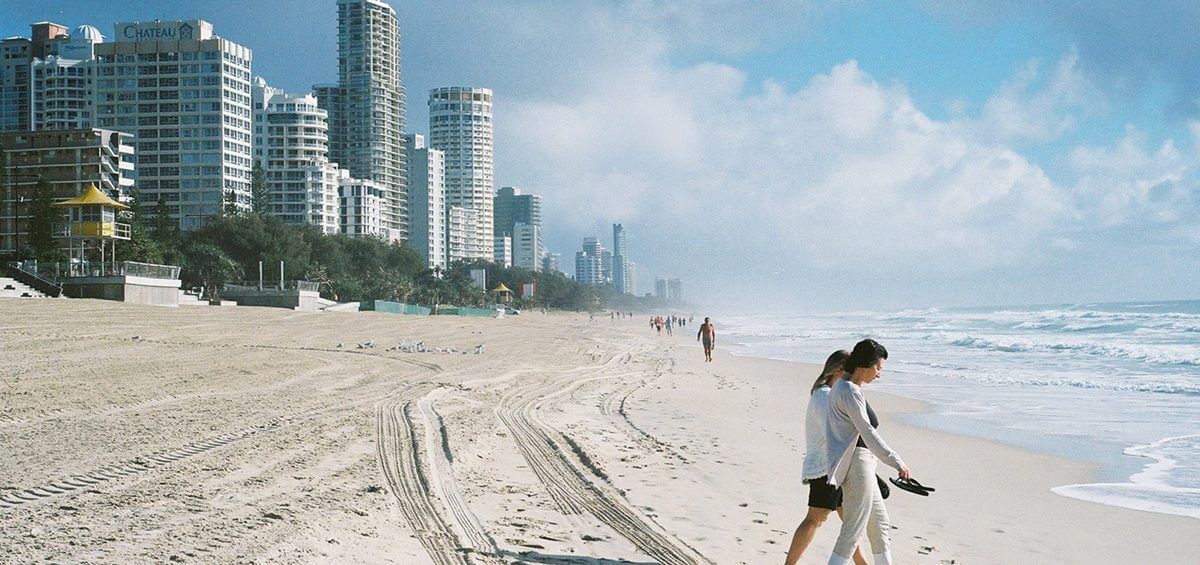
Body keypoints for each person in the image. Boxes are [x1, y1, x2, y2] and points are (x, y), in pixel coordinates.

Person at [826, 339, 910, 565]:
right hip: (857, 464)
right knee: (853, 530)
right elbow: (868, 433)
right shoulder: (848, 391)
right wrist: (896, 461)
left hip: (862, 463)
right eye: (878, 368)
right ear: (865, 364)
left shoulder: (846, 387)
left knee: (879, 524)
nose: (879, 374)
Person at [785, 350, 867, 565]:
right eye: (848, 372)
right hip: (825, 469)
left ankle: (862, 563)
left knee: (849, 523)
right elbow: (835, 431)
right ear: (838, 371)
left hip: (836, 468)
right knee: (815, 519)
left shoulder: (829, 394)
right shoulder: (823, 395)